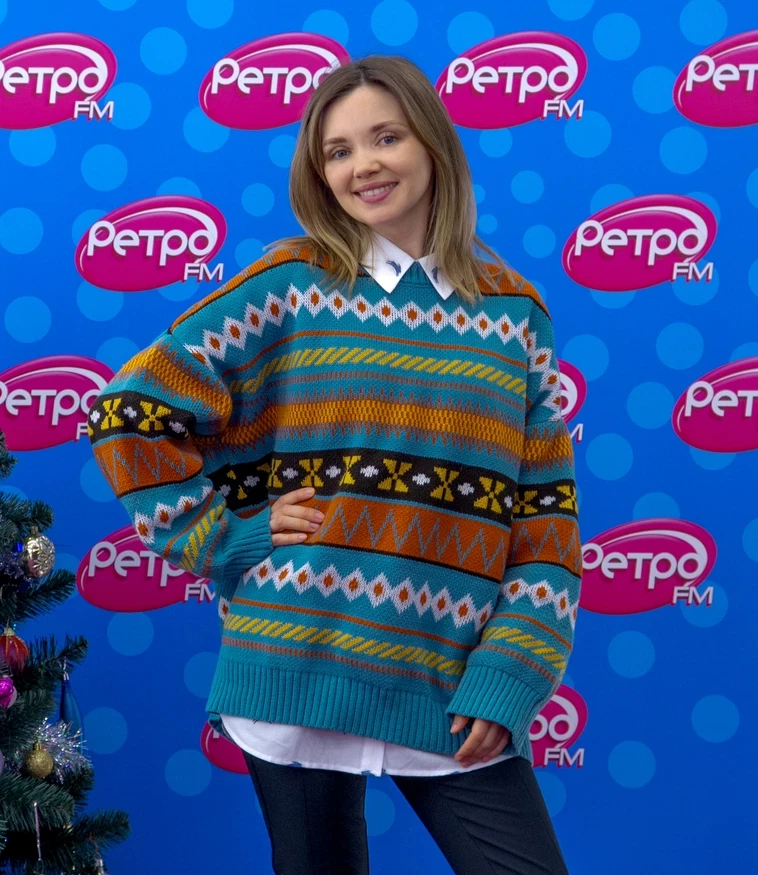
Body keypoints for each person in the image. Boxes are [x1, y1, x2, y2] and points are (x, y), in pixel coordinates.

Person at [88, 54, 581, 875]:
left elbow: (546, 528)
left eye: (386, 137)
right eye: (339, 151)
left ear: (433, 144)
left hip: (446, 680)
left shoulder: (516, 315)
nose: (364, 166)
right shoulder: (293, 284)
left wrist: (510, 673)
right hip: (293, 662)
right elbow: (129, 415)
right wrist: (228, 539)